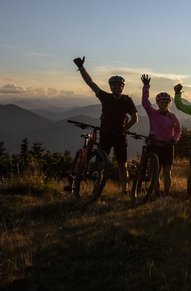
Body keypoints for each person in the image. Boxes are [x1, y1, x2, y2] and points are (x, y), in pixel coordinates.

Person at [72, 56, 138, 193]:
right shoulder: (105, 97)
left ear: (122, 87)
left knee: (122, 165)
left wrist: (124, 129)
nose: (116, 87)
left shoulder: (127, 100)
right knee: (100, 164)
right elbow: (90, 83)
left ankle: (124, 190)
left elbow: (135, 118)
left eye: (118, 85)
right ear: (110, 87)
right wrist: (82, 67)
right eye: (113, 85)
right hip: (106, 134)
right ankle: (96, 189)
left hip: (120, 136)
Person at [141, 74, 181, 198]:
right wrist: (146, 87)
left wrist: (174, 139)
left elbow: (178, 129)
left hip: (168, 146)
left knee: (167, 172)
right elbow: (145, 102)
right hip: (155, 145)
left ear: (169, 103)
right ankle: (157, 194)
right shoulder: (153, 113)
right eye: (161, 102)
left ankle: (167, 193)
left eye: (166, 102)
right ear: (157, 103)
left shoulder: (172, 116)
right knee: (156, 172)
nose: (163, 104)